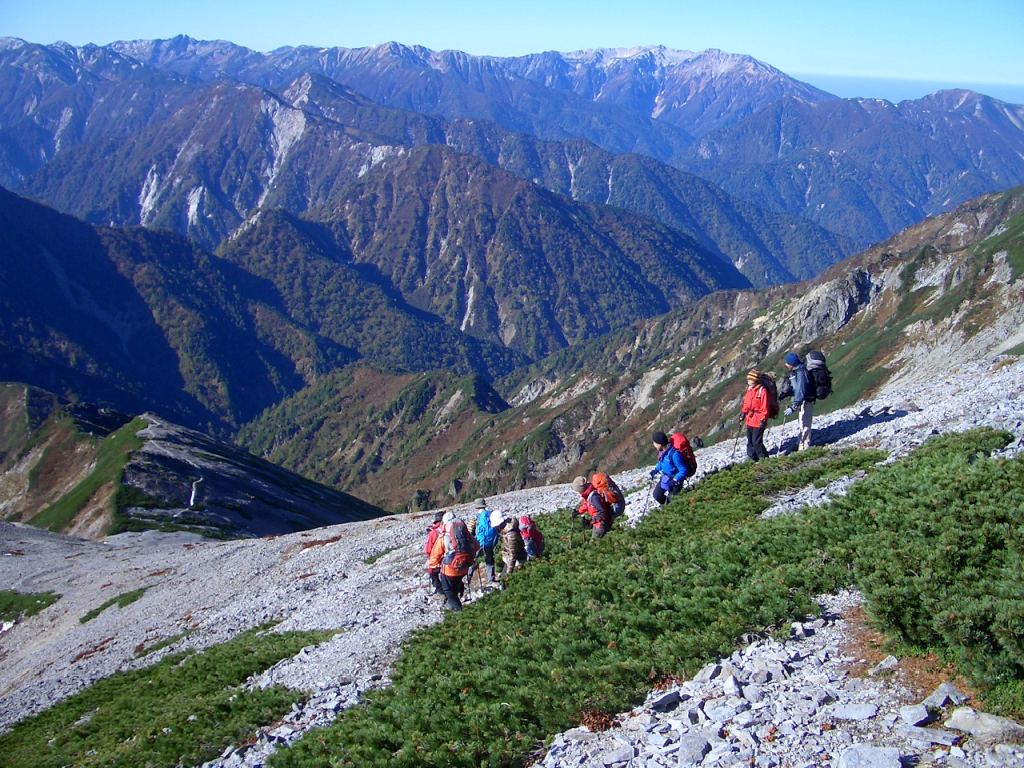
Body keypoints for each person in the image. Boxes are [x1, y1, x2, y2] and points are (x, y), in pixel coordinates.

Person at [428, 511, 480, 612]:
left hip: (450, 569)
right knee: (456, 582)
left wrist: (433, 568)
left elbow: (434, 556)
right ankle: (458, 596)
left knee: (447, 589)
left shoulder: (444, 537)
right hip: (465, 566)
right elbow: (476, 547)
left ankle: (458, 611)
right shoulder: (466, 534)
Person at [779, 352, 816, 451]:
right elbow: (796, 388)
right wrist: (786, 393)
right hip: (804, 401)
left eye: (787, 363)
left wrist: (794, 407)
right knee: (802, 423)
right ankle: (800, 443)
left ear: (792, 363)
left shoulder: (801, 373)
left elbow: (800, 391)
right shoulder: (798, 371)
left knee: (805, 423)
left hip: (806, 401)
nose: (786, 365)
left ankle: (804, 447)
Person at [649, 431, 689, 505]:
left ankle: (671, 507)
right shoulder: (662, 452)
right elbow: (662, 463)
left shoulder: (675, 454)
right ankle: (667, 506)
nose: (653, 445)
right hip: (666, 477)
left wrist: (674, 480)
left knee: (672, 499)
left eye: (654, 443)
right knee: (657, 496)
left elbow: (683, 470)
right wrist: (656, 470)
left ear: (659, 444)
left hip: (676, 480)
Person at [469, 498, 502, 585]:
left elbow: (469, 531)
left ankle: (467, 578)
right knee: (489, 559)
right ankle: (491, 577)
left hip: (479, 542)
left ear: (476, 508)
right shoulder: (491, 514)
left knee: (473, 560)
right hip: (490, 541)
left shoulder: (475, 517)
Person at [741, 369, 771, 462]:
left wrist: (763, 419)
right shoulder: (750, 390)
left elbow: (764, 406)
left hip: (758, 419)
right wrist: (743, 412)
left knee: (756, 441)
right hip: (750, 418)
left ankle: (764, 458)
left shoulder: (762, 391)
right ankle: (752, 457)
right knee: (750, 440)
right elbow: (746, 403)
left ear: (755, 380)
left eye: (750, 380)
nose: (748, 381)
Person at [497, 513, 527, 578]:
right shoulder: (508, 530)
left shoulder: (511, 535)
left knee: (504, 580)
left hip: (517, 561)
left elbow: (513, 555)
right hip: (511, 560)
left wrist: (508, 574)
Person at [424, 510, 445, 595]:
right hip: (450, 557)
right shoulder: (450, 528)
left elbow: (428, 550)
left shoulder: (434, 532)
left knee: (433, 574)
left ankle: (441, 591)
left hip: (438, 558)